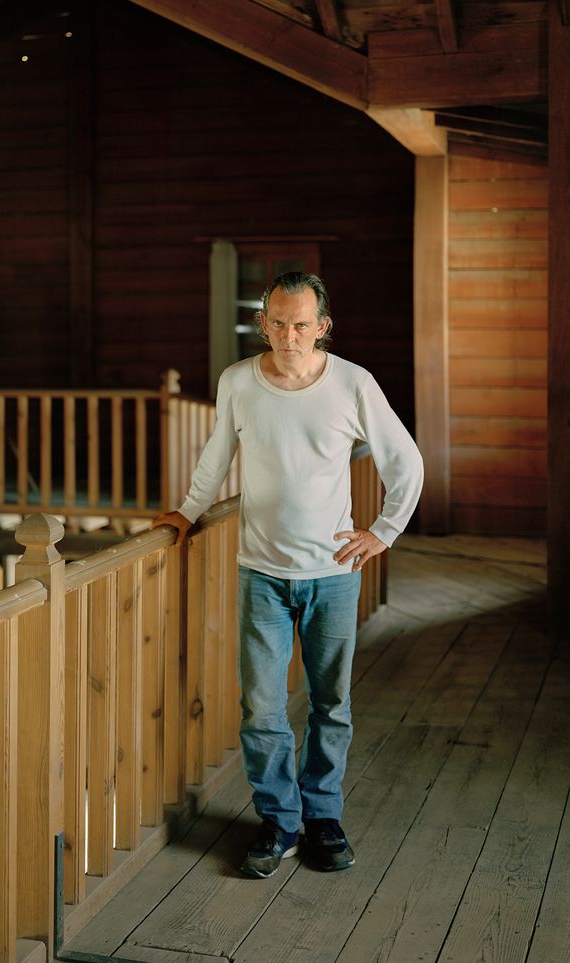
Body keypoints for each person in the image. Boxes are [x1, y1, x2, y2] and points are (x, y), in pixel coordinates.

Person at [154, 272, 423, 878]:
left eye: (301, 324)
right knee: (262, 708)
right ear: (262, 323)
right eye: (276, 322)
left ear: (322, 327)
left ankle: (323, 818)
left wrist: (383, 531)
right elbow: (217, 454)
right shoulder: (238, 383)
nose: (288, 334)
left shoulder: (354, 383)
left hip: (333, 572)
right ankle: (279, 822)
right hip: (262, 574)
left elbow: (404, 460)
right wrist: (189, 512)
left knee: (331, 703)